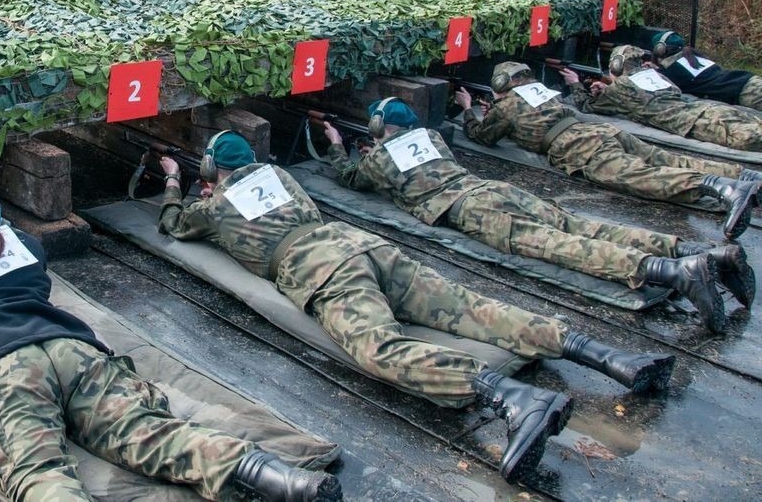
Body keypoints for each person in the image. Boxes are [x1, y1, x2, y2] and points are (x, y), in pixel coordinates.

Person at [157, 132, 676, 482]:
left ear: (209, 171)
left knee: (377, 347)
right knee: (472, 307)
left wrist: (175, 183)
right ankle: (609, 356)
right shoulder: (282, 179)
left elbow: (175, 223)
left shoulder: (215, 207)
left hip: (320, 269)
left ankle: (511, 399)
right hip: (365, 245)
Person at [0, 184, 342, 502]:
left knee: (37, 470)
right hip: (70, 348)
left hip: (1, 366)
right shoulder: (30, 249)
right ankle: (277, 478)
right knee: (150, 432)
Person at [322, 98, 753, 332]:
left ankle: (672, 271)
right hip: (493, 189)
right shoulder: (433, 137)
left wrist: (339, 145)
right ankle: (698, 252)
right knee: (578, 225)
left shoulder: (378, 161)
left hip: (470, 208)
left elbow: (350, 178)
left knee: (560, 247)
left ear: (379, 128)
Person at [458, 61, 761, 239]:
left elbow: (482, 136)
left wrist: (470, 110)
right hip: (600, 131)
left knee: (641, 177)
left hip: (578, 145)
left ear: (500, 82)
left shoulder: (505, 105)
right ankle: (743, 175)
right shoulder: (540, 92)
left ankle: (721, 188)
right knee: (669, 158)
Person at [568, 45, 762, 153]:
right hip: (710, 110)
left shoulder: (618, 89)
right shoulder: (655, 76)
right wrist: (609, 87)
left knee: (751, 140)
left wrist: (575, 83)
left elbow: (586, 105)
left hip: (698, 122)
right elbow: (647, 94)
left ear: (617, 66)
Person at [652, 30, 762, 111]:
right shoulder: (694, 57)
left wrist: (654, 70)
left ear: (660, 50)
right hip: (751, 80)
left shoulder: (672, 72)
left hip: (747, 93)